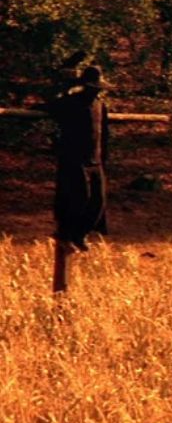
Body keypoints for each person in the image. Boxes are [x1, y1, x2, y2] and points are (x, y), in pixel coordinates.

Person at [37, 66, 111, 291]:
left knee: (99, 202)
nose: (95, 92)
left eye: (98, 88)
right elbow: (46, 107)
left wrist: (103, 159)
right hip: (74, 159)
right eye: (92, 88)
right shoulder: (69, 103)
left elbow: (104, 134)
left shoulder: (100, 105)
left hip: (94, 160)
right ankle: (66, 234)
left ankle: (79, 235)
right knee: (79, 197)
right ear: (84, 86)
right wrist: (63, 90)